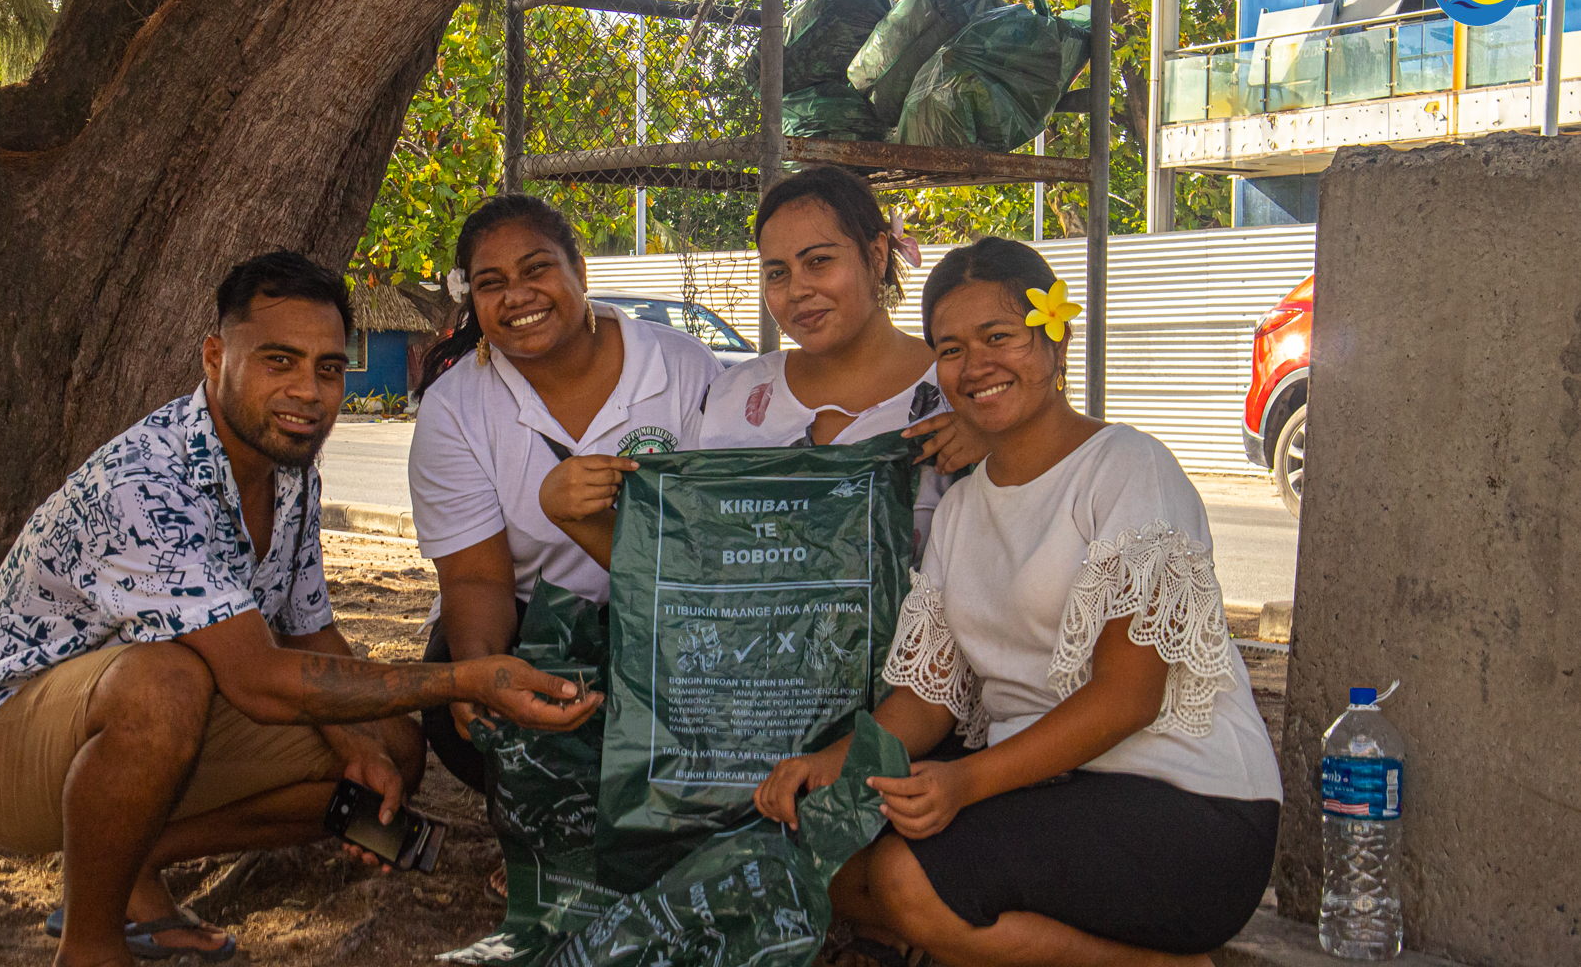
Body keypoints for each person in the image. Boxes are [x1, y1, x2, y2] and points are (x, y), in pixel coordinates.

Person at [0, 252, 599, 967]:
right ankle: (90, 945)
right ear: (216, 357)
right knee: (164, 681)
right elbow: (258, 680)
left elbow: (313, 635)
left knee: (393, 745)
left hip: (153, 723)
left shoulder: (288, 468)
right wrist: (470, 678)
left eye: (329, 368)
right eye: (279, 361)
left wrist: (360, 748)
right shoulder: (147, 484)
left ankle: (130, 867)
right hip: (2, 747)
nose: (308, 391)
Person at [753, 238, 1282, 966]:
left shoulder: (1127, 467)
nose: (975, 367)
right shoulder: (964, 508)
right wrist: (834, 766)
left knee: (910, 882)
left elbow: (1129, 695)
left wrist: (963, 783)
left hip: (1188, 804)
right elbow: (927, 697)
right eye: (950, 348)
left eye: (998, 337)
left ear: (1052, 340)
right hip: (1043, 792)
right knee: (819, 852)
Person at [407, 194, 720, 896]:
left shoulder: (684, 369)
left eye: (537, 269)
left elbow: (709, 553)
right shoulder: (457, 406)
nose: (517, 297)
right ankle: (541, 827)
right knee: (459, 701)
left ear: (580, 268)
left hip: (666, 621)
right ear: (473, 301)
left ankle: (646, 831)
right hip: (536, 624)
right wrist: (488, 672)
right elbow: (477, 581)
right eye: (490, 284)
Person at [695, 166, 983, 551]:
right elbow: (683, 544)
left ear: (877, 254)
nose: (797, 289)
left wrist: (997, 441)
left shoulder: (964, 391)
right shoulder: (730, 397)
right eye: (778, 272)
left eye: (818, 261)